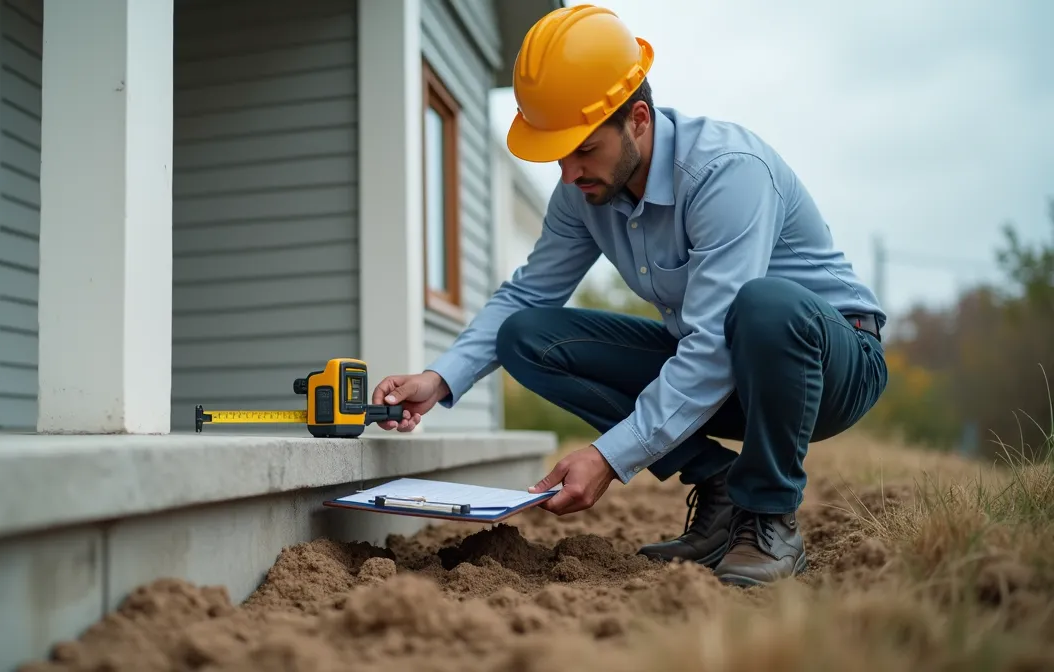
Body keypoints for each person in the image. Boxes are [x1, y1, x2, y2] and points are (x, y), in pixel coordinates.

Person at [369, 4, 889, 587]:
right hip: (723, 366)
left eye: (584, 150)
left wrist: (610, 457)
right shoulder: (583, 191)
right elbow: (527, 296)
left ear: (638, 119)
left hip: (827, 365)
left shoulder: (727, 173)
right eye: (559, 155)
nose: (568, 173)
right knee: (528, 338)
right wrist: (437, 380)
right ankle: (718, 483)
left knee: (765, 304)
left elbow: (715, 341)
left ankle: (769, 519)